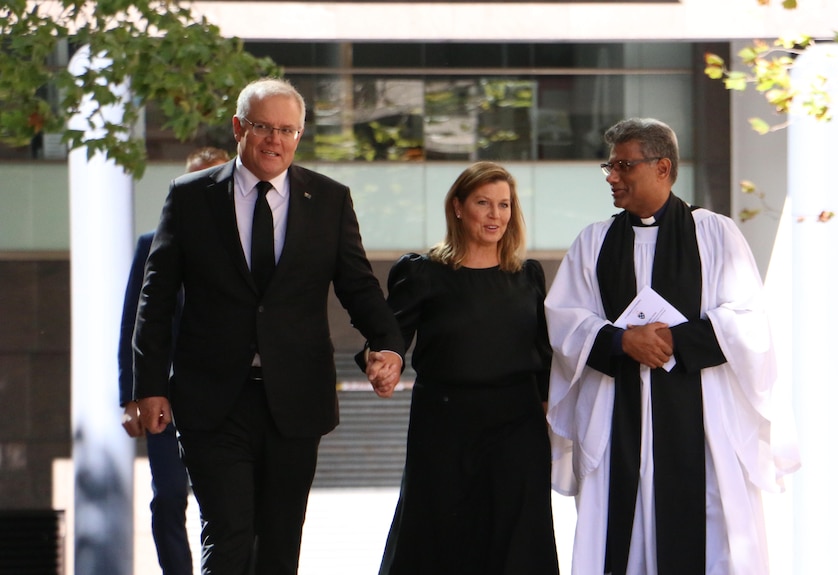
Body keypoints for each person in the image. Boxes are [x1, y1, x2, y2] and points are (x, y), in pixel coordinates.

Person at [132, 77, 405, 575]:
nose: (274, 140)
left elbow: (358, 286)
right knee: (228, 533)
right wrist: (146, 388)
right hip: (212, 399)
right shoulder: (190, 198)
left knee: (280, 542)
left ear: (299, 136)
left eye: (287, 130)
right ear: (239, 127)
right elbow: (157, 297)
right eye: (262, 127)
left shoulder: (328, 200)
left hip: (295, 398)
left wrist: (387, 344)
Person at [544, 118, 800, 575]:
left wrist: (671, 341)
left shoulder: (715, 234)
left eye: (624, 166)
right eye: (610, 166)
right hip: (617, 423)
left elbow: (747, 320)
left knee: (709, 539)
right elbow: (565, 320)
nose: (612, 177)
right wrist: (622, 341)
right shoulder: (594, 242)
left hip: (700, 425)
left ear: (662, 167)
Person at [367, 161, 560, 575]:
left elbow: (542, 352)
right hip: (444, 425)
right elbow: (390, 334)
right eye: (483, 203)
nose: (496, 215)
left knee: (518, 536)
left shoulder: (527, 275)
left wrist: (552, 411)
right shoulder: (421, 272)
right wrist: (385, 359)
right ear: (457, 207)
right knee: (439, 537)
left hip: (517, 425)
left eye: (504, 205)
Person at [118, 146, 231, 575]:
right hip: (163, 396)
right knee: (168, 496)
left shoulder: (246, 246)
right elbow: (133, 323)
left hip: (222, 397)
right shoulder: (153, 245)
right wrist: (130, 397)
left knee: (222, 501)